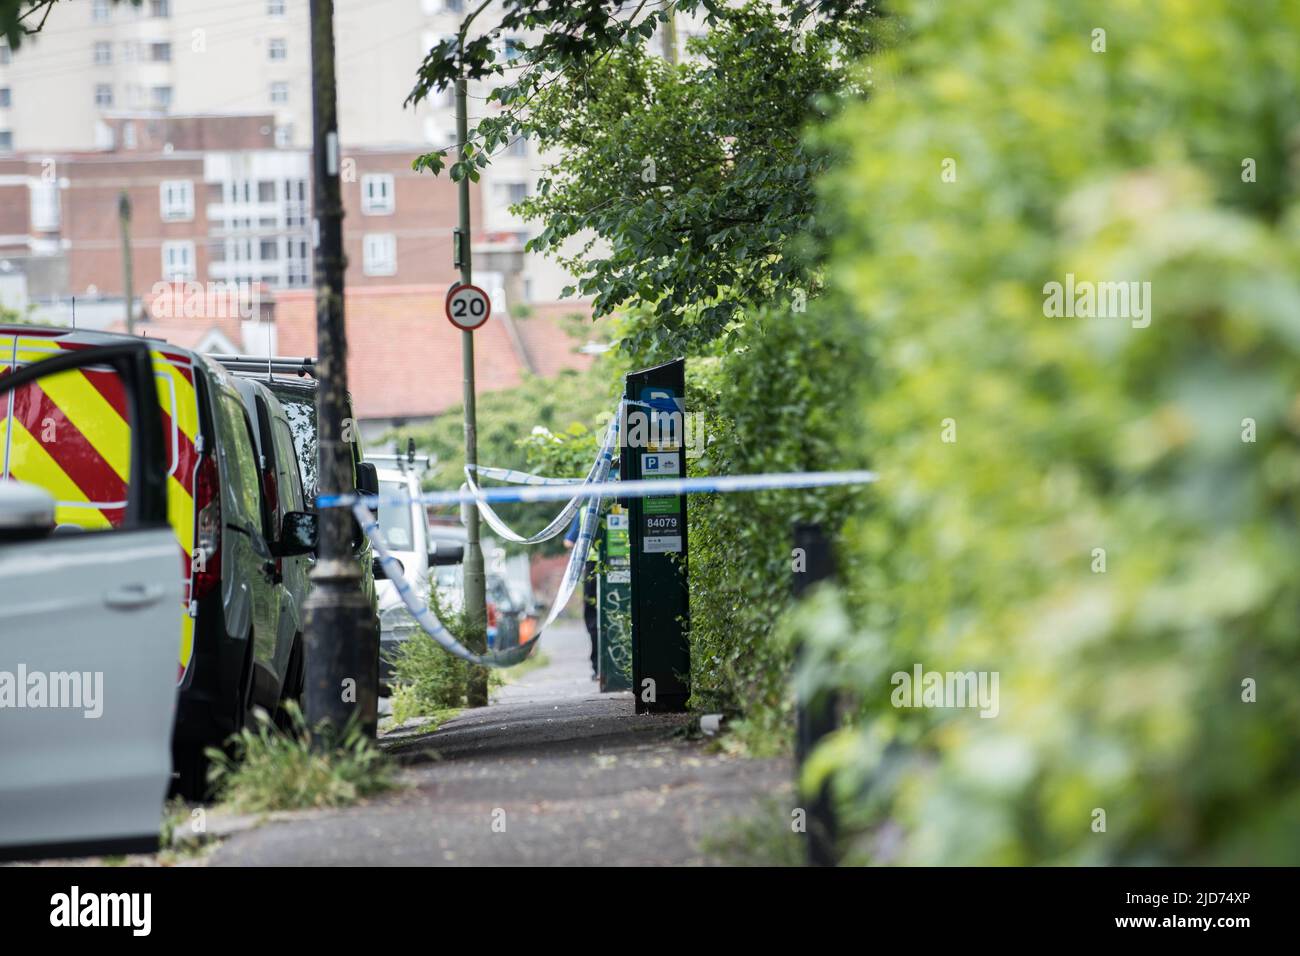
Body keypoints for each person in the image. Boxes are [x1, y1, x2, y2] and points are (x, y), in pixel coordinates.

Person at [563, 510, 600, 679]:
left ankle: (597, 666)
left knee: (592, 616)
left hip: (593, 569)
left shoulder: (587, 510)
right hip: (618, 567)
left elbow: (568, 542)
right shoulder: (617, 505)